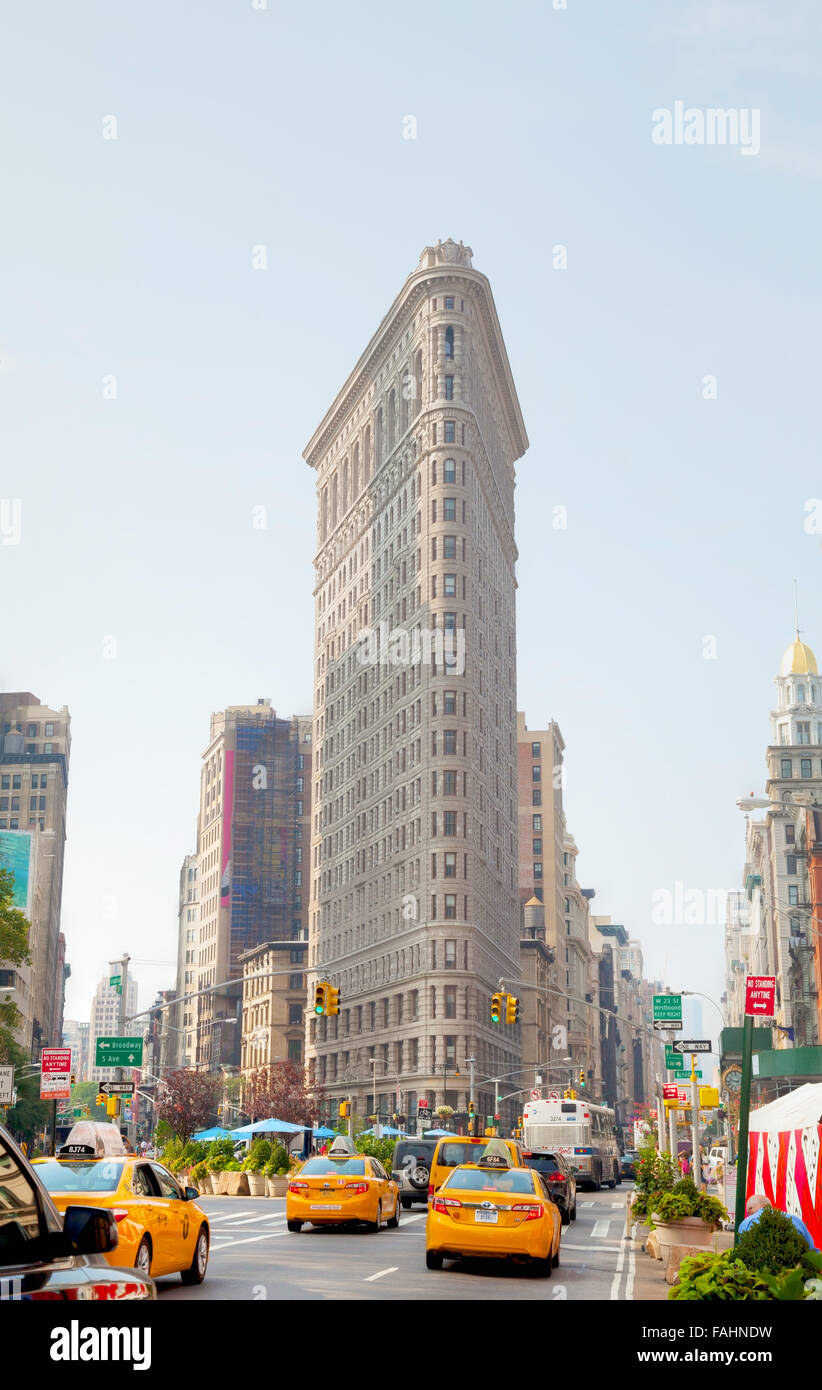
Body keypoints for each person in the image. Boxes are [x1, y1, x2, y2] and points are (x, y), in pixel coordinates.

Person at [737, 1193, 817, 1250]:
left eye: (748, 1212)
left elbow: (743, 1251)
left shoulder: (747, 1223)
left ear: (750, 1208)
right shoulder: (795, 1220)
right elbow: (812, 1251)